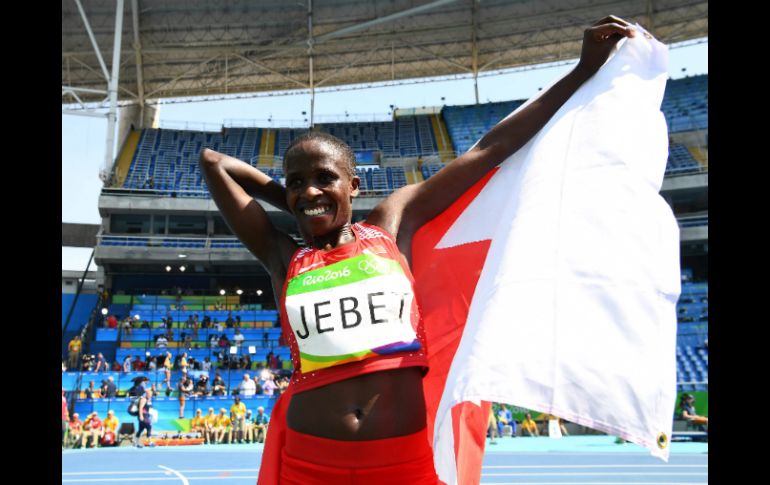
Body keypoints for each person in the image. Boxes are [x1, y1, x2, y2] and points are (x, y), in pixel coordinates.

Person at [200, 17, 634, 482]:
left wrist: (583, 69)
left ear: (355, 184)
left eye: (325, 178)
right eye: (297, 183)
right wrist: (302, 203)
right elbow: (215, 163)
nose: (309, 191)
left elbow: (490, 149)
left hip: (402, 459)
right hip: (309, 459)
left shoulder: (390, 225)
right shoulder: (284, 256)